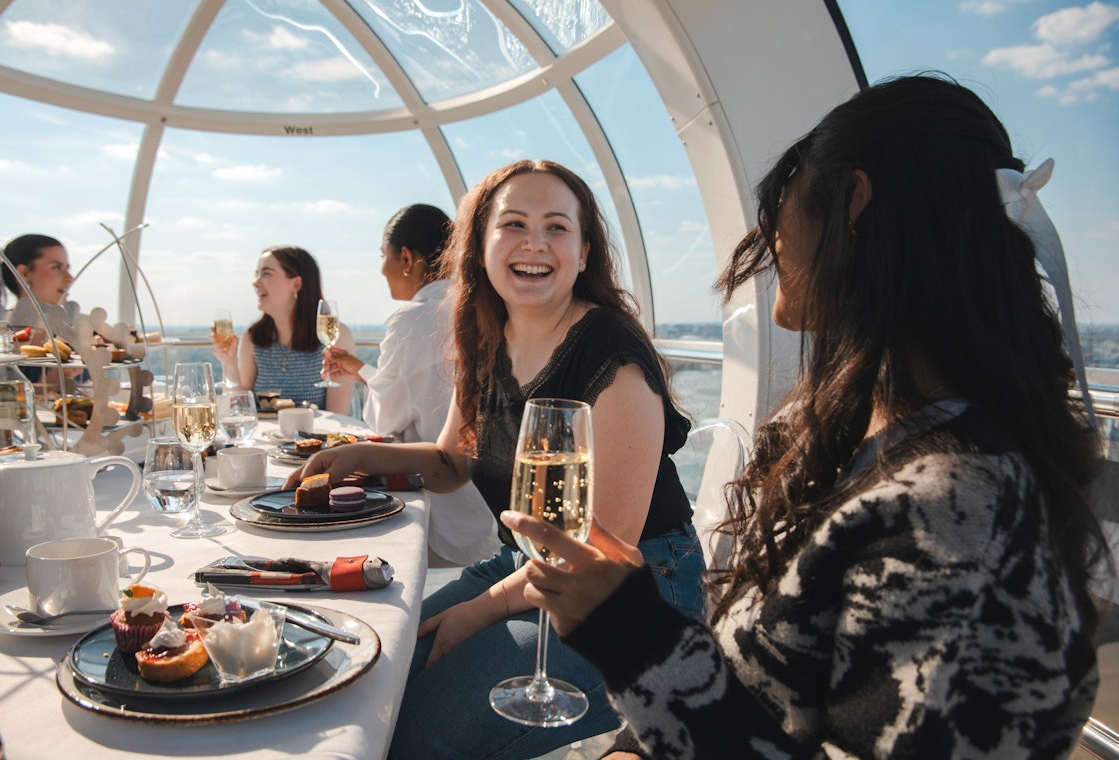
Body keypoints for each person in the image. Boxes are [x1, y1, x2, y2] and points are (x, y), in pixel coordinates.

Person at [504, 74, 1107, 759]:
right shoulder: (842, 431)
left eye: (783, 196)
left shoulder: (963, 520)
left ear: (851, 201)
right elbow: (757, 684)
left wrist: (634, 638)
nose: (770, 237)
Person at [286, 159, 705, 759]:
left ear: (584, 252)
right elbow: (451, 462)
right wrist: (356, 457)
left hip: (635, 595)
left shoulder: (614, 355)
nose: (535, 242)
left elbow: (601, 551)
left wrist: (478, 611)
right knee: (367, 671)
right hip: (524, 565)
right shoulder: (486, 338)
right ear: (479, 246)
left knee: (414, 733)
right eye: (513, 224)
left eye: (557, 227)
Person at [321, 203, 498, 567]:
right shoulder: (477, 311)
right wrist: (362, 371)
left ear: (405, 257)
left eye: (382, 256)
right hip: (486, 510)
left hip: (440, 514)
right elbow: (413, 388)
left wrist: (366, 380)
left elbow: (383, 421)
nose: (380, 269)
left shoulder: (414, 319)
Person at [212, 245, 355, 414]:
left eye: (266, 273)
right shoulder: (253, 338)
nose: (255, 282)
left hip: (314, 439)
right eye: (256, 274)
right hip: (263, 439)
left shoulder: (336, 336)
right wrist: (229, 363)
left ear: (296, 284)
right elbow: (238, 410)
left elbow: (338, 418)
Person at [0, 233, 72, 325]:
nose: (69, 278)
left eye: (67, 268)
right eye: (56, 267)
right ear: (24, 273)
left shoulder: (74, 331)